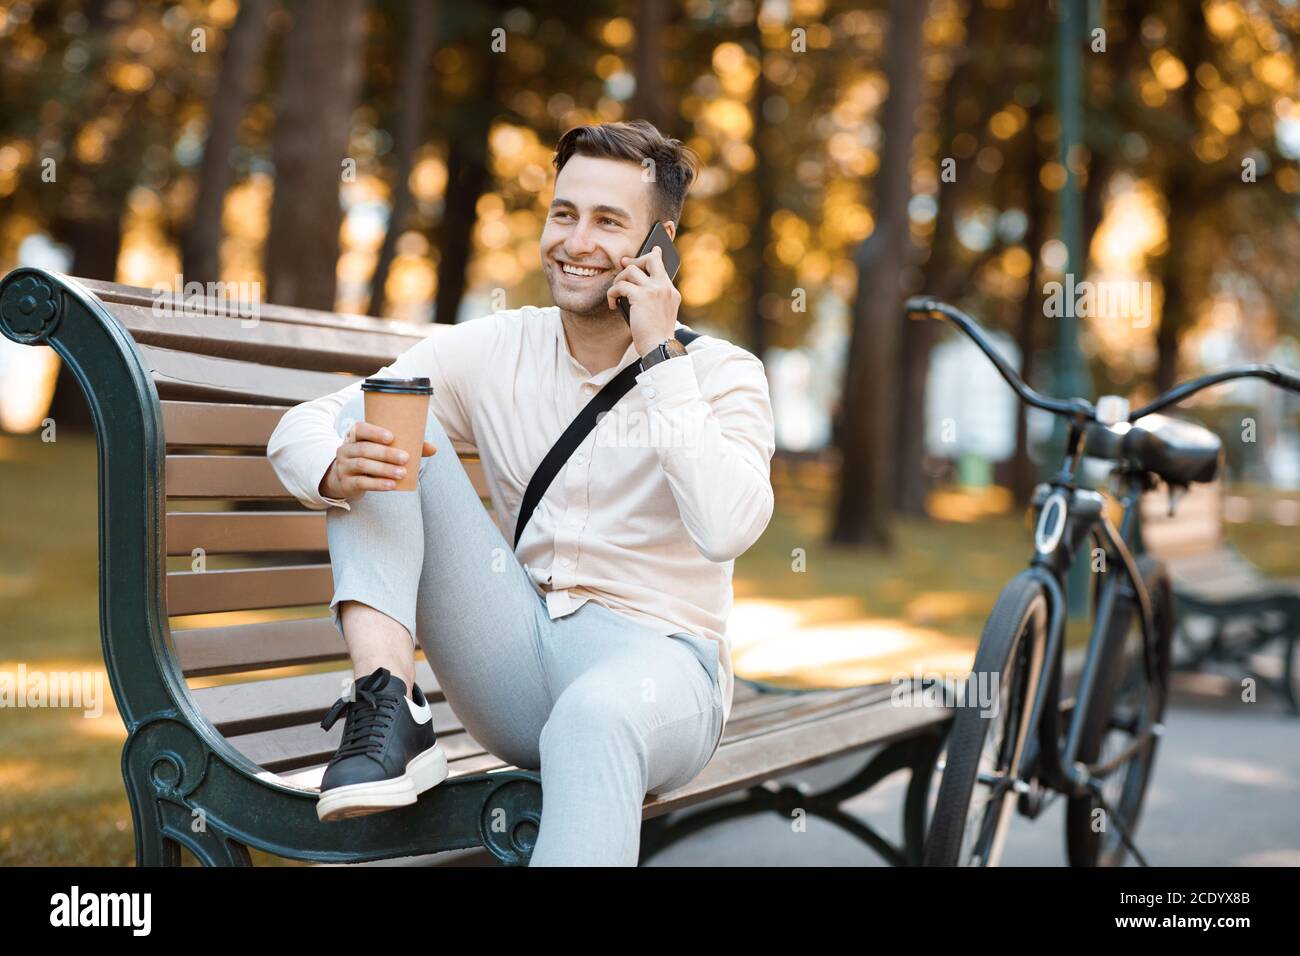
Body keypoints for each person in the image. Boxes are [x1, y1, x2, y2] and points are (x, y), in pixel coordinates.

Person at [267, 119, 775, 865]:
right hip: (517, 654)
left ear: (659, 243)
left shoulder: (723, 374)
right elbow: (315, 420)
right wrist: (330, 468)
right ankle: (387, 703)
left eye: (608, 222)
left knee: (593, 718)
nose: (576, 242)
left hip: (660, 673)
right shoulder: (499, 346)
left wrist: (660, 357)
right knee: (378, 415)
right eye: (565, 214)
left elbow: (726, 526)